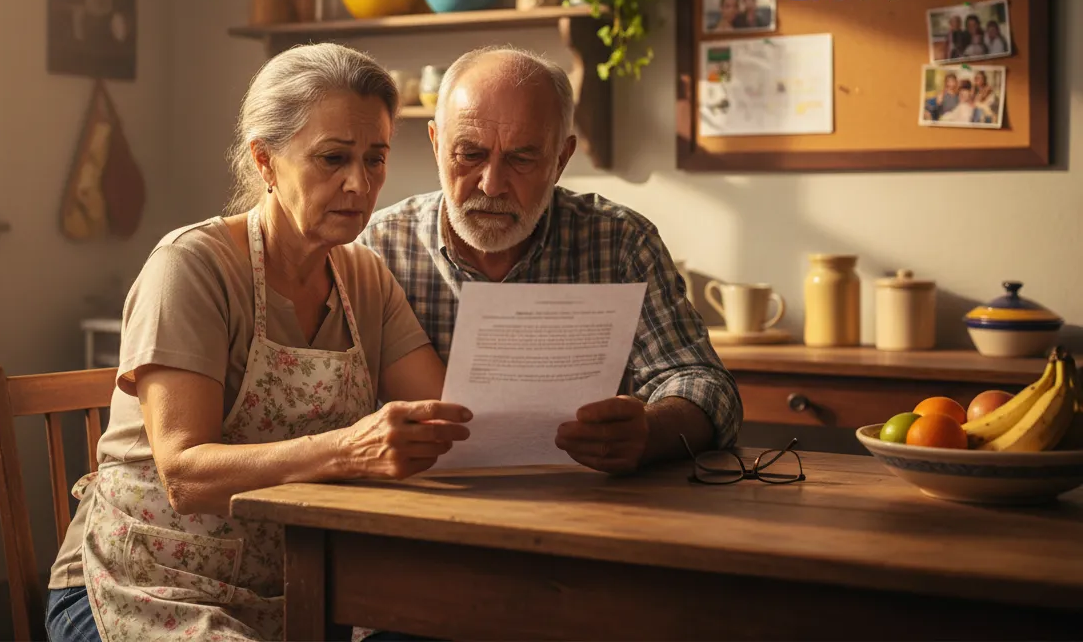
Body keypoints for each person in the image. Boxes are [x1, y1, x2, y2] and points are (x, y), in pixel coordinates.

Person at [45, 43, 472, 642]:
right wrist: (348, 450)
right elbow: (186, 474)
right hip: (141, 585)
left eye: (375, 159)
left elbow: (456, 419)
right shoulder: (191, 267)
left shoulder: (366, 279)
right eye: (332, 158)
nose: (359, 183)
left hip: (296, 589)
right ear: (265, 161)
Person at [358, 46, 743, 473]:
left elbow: (707, 385)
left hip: (587, 508)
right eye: (470, 154)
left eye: (521, 158)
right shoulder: (379, 247)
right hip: (417, 506)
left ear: (560, 160)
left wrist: (652, 431)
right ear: (436, 144)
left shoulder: (619, 242)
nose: (491, 184)